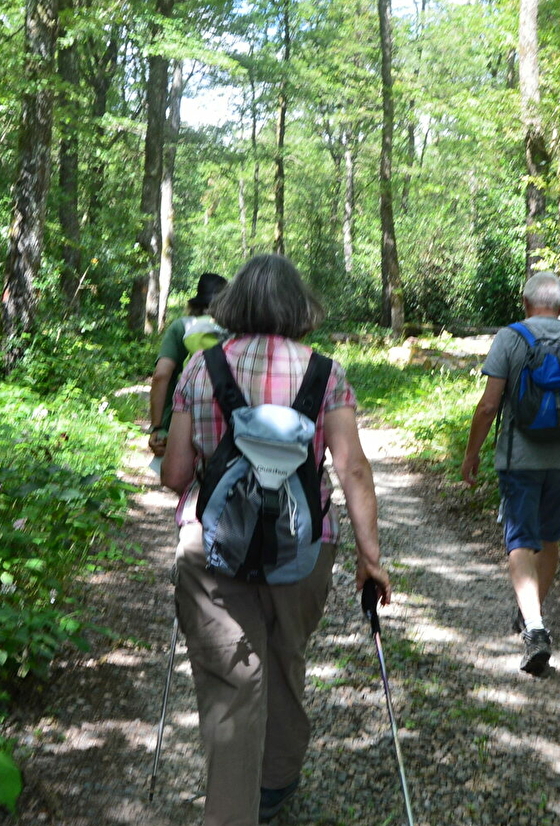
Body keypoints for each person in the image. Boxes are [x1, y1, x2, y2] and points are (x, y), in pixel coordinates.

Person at [160, 254, 391, 826]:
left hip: (211, 547)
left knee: (231, 680)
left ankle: (231, 813)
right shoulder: (326, 374)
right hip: (305, 545)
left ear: (233, 306)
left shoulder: (200, 369)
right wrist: (371, 558)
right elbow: (352, 469)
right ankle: (276, 784)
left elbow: (174, 476)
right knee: (285, 657)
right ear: (299, 307)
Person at [461, 272, 560, 675]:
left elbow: (489, 405)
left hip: (518, 459)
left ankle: (536, 627)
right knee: (549, 539)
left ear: (525, 304)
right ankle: (532, 617)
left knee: (520, 541)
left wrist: (471, 454)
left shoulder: (510, 338)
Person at [148, 272, 229, 460]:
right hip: (221, 422)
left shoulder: (180, 327)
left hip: (179, 421)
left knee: (180, 480)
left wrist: (157, 427)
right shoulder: (233, 330)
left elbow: (161, 375)